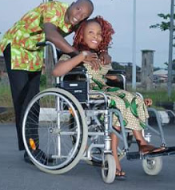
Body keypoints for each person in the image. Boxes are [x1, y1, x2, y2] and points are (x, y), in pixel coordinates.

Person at [0, 0, 111, 164]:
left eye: (84, 15)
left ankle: (32, 148)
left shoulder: (78, 21)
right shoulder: (53, 9)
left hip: (34, 52)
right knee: (23, 101)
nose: (79, 16)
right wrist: (77, 55)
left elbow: (93, 31)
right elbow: (51, 35)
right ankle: (31, 150)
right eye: (78, 9)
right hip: (17, 46)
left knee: (33, 102)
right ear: (72, 4)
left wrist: (103, 51)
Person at [52, 16, 165, 179]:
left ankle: (142, 143)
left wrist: (110, 68)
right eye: (90, 32)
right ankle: (117, 158)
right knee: (117, 103)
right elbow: (57, 72)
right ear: (80, 35)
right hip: (87, 91)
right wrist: (81, 56)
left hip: (104, 90)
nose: (95, 36)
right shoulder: (71, 53)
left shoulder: (100, 55)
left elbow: (110, 77)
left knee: (134, 98)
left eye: (99, 34)